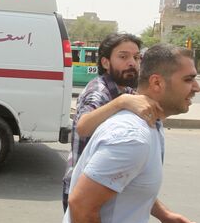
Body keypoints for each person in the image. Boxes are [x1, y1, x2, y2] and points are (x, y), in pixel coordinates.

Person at [61, 43, 200, 223]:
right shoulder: (132, 137)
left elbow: (129, 185)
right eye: (189, 79)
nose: (197, 87)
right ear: (157, 83)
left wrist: (164, 214)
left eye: (135, 57)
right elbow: (81, 206)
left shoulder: (152, 121)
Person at [62, 33, 162, 211]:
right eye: (123, 57)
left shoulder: (128, 90)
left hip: (109, 188)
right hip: (84, 194)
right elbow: (83, 127)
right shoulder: (99, 91)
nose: (132, 62)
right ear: (106, 63)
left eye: (136, 57)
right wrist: (121, 102)